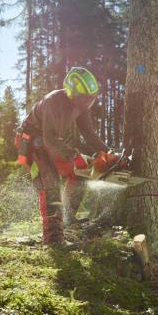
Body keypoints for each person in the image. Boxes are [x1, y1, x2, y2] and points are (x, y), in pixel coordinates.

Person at [16, 67, 118, 247]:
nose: (90, 101)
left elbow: (89, 134)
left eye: (92, 97)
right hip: (31, 142)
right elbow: (49, 138)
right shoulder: (52, 102)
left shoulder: (81, 107)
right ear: (74, 93)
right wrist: (74, 155)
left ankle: (68, 220)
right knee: (51, 183)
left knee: (81, 173)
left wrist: (109, 153)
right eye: (86, 97)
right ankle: (53, 239)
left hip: (51, 143)